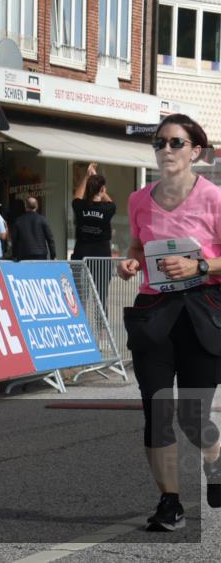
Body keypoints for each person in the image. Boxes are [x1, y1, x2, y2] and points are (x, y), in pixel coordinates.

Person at [116, 114, 221, 531]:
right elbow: (138, 246)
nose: (166, 150)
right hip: (155, 314)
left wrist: (199, 264)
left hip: (202, 313)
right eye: (160, 143)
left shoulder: (214, 198)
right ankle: (170, 502)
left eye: (176, 143)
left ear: (196, 151)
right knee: (157, 411)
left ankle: (214, 464)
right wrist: (129, 262)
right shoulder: (140, 199)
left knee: (194, 417)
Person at [72, 162, 116, 309]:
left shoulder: (80, 206)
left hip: (81, 253)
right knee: (101, 295)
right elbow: (109, 200)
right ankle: (102, 330)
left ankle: (80, 326)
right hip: (101, 256)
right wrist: (99, 186)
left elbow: (77, 196)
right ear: (102, 189)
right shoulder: (108, 208)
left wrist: (87, 176)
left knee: (78, 294)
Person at [10, 197, 56, 261]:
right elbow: (50, 238)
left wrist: (14, 255)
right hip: (40, 254)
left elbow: (14, 240)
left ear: (25, 206)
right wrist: (53, 255)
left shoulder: (19, 221)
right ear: (37, 206)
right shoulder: (42, 219)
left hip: (24, 254)